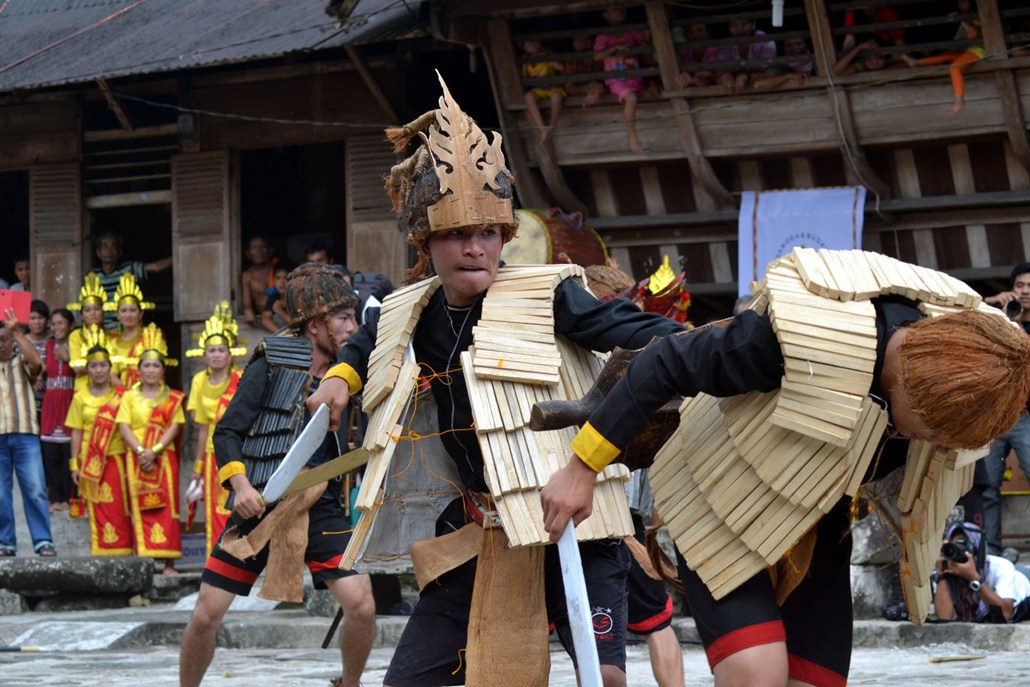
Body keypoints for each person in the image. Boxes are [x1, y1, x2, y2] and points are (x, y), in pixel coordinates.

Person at [309, 74, 683, 687]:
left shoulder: (548, 293)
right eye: (456, 234)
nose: (475, 247)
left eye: (487, 232)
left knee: (605, 679)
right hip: (481, 531)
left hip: (577, 528)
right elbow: (368, 337)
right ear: (426, 240)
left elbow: (626, 327)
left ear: (505, 236)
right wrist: (343, 379)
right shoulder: (413, 309)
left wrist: (708, 347)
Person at [540, 248, 1030, 687]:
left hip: (819, 516)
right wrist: (582, 469)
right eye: (927, 430)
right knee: (756, 675)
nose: (928, 443)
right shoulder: (796, 342)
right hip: (720, 493)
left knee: (814, 679)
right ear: (904, 382)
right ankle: (562, 299)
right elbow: (664, 361)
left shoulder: (976, 360)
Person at [179, 263, 375, 687]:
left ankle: (350, 684)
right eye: (342, 318)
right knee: (205, 614)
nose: (351, 327)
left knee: (361, 606)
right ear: (315, 325)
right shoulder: (270, 363)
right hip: (263, 503)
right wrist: (243, 487)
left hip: (322, 503)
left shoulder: (353, 371)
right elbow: (227, 431)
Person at [116, 323, 184, 575]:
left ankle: (169, 563)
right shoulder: (129, 397)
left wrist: (153, 450)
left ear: (163, 370)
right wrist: (140, 450)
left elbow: (175, 426)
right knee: (139, 507)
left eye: (156, 365)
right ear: (139, 370)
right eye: (147, 365)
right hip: (137, 459)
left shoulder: (172, 397)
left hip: (163, 459)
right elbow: (123, 426)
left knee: (167, 508)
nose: (152, 370)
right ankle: (144, 560)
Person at [184, 302, 247, 556]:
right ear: (204, 354)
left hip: (238, 453)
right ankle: (218, 556)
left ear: (230, 354)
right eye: (212, 350)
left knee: (238, 505)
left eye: (222, 350)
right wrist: (197, 468)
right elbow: (202, 428)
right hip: (212, 454)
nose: (217, 355)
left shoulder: (241, 378)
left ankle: (241, 555)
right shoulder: (199, 380)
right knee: (214, 508)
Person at [66, 324, 131, 556]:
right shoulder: (80, 397)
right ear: (88, 369)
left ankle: (123, 552)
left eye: (103, 365)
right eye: (93, 366)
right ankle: (101, 552)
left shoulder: (122, 396)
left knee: (119, 506)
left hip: (117, 458)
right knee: (96, 507)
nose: (98, 370)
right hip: (90, 461)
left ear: (110, 368)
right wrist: (74, 464)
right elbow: (76, 432)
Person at [979, 262, 1030, 556]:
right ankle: (991, 553)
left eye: (1029, 287)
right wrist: (991, 305)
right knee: (987, 486)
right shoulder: (1000, 316)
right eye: (1020, 286)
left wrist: (1019, 325)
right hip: (996, 416)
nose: (1024, 292)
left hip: (1025, 416)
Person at [0, 308, 56, 557]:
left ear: (12, 340)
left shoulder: (20, 361)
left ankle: (43, 541)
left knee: (34, 489)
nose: (1, 344)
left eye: (4, 339)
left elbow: (37, 363)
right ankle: (5, 543)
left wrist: (17, 332)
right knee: (0, 493)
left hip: (25, 434)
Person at [900, 0, 984, 115]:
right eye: (959, 2)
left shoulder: (978, 14)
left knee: (954, 68)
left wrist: (961, 20)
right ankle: (917, 62)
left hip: (981, 51)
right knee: (946, 55)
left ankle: (959, 101)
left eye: (964, 2)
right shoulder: (967, 16)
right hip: (972, 50)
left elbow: (975, 34)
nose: (961, 5)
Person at [933, 522, 1030, 622]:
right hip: (1003, 575)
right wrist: (942, 574)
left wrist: (974, 578)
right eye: (955, 545)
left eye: (964, 545)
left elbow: (1005, 614)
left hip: (1024, 582)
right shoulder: (948, 569)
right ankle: (1009, 555)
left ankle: (1010, 557)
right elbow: (944, 618)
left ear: (978, 548)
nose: (960, 551)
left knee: (1009, 566)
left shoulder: (1002, 566)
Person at [595, 6, 650, 153]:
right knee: (631, 99)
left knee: (650, 94)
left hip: (635, 77)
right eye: (614, 8)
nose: (619, 10)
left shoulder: (631, 31)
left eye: (621, 7)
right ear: (605, 15)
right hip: (616, 79)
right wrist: (615, 48)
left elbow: (646, 39)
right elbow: (597, 56)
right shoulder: (603, 36)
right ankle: (632, 135)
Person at [90, 230, 172, 330]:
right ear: (98, 253)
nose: (109, 250)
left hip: (126, 329)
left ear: (119, 252)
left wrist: (182, 253)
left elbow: (156, 267)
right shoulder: (92, 276)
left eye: (113, 246)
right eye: (105, 246)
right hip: (100, 331)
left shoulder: (129, 269)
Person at [39, 308, 75, 512]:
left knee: (68, 455)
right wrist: (35, 378)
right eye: (53, 324)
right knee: (51, 454)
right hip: (51, 402)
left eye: (61, 323)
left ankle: (69, 500)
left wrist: (68, 357)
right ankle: (55, 499)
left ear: (70, 325)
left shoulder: (76, 344)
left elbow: (82, 370)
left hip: (70, 402)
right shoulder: (47, 346)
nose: (56, 327)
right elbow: (40, 369)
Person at [108, 273, 158, 387]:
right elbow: (112, 374)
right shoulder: (114, 342)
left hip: (148, 391)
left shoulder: (151, 336)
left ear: (140, 314)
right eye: (124, 311)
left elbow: (157, 367)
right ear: (118, 315)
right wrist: (126, 394)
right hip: (122, 394)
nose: (128, 315)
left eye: (132, 310)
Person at [703, 17, 777, 95]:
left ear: (753, 25)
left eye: (744, 24)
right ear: (729, 28)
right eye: (734, 25)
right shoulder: (726, 46)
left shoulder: (765, 41)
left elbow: (768, 73)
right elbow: (720, 71)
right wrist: (726, 77)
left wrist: (745, 76)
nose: (740, 29)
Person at [68, 273, 110, 393]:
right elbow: (76, 367)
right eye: (87, 310)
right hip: (83, 388)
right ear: (81, 315)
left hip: (108, 389)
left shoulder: (112, 335)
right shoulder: (75, 336)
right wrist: (104, 368)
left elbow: (116, 368)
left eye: (97, 309)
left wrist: (90, 366)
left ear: (103, 312)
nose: (93, 313)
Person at [520, 38, 565, 144]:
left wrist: (547, 58)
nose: (535, 44)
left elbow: (561, 67)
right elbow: (524, 76)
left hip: (552, 87)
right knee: (528, 97)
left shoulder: (547, 54)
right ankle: (542, 128)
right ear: (523, 46)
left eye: (536, 41)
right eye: (531, 42)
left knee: (557, 96)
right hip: (538, 89)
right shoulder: (525, 60)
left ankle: (552, 126)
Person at [241, 235, 277, 328]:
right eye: (254, 247)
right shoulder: (247, 275)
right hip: (262, 321)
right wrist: (247, 311)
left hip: (282, 317)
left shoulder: (279, 270)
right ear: (248, 253)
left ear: (270, 250)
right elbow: (247, 306)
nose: (259, 251)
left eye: (263, 247)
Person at [841, 3, 905, 53]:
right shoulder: (853, 12)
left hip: (884, 55)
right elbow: (849, 40)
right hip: (864, 57)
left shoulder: (886, 12)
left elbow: (898, 41)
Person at [25, 299, 50, 417]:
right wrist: (29, 378)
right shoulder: (19, 342)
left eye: (40, 318)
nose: (37, 322)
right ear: (26, 321)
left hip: (51, 398)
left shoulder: (54, 340)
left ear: (47, 320)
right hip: (27, 401)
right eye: (32, 318)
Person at [675, 22, 715, 89]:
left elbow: (708, 79)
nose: (696, 34)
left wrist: (691, 80)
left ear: (708, 33)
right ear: (686, 36)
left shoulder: (716, 51)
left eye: (700, 30)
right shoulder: (683, 55)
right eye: (691, 32)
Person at [260, 261, 292, 333]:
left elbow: (298, 323)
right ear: (273, 280)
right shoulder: (274, 296)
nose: (282, 282)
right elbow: (265, 320)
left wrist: (279, 311)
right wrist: (280, 335)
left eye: (286, 278)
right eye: (278, 278)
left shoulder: (298, 297)